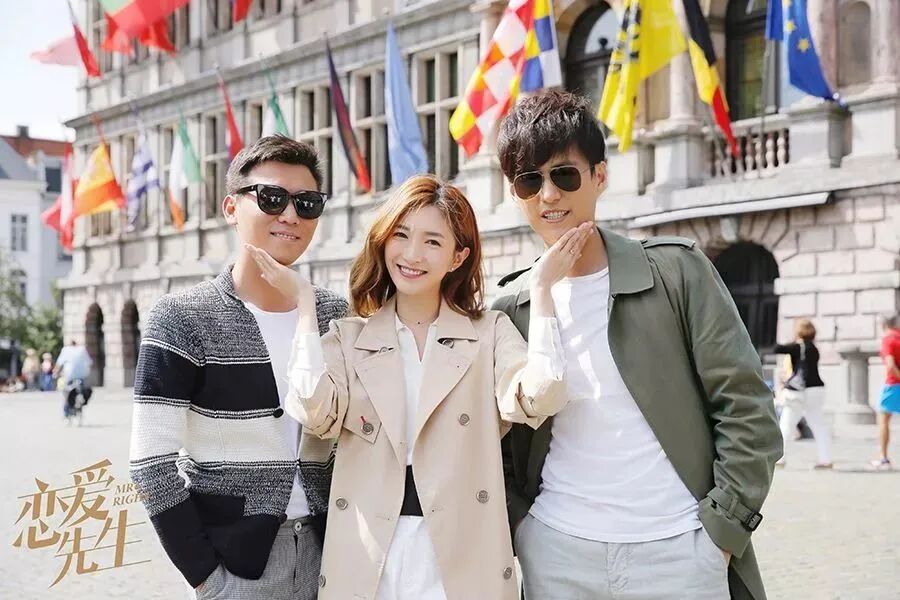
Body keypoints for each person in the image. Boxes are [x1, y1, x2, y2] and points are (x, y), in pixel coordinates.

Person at [492, 90, 783, 600]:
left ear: (600, 176)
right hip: (556, 554)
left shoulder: (677, 271)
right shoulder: (511, 308)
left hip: (680, 551)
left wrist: (721, 533)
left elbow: (746, 406)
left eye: (565, 175)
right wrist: (523, 529)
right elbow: (495, 446)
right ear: (515, 193)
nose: (549, 195)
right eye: (529, 180)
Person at [253, 174, 587, 599]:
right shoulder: (349, 338)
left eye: (432, 241)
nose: (412, 254)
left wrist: (541, 290)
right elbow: (313, 410)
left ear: (458, 256)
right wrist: (305, 306)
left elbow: (540, 396)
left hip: (461, 553)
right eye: (402, 235)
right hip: (370, 555)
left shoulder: (488, 333)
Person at [129, 135, 349, 600]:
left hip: (335, 554)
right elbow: (151, 464)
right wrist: (207, 579)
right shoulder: (183, 317)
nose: (290, 215)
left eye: (307, 203)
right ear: (231, 207)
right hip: (239, 566)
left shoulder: (334, 316)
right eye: (271, 198)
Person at [773, 319, 833, 469]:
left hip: (797, 392)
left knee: (787, 423)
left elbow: (777, 348)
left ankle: (780, 458)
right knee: (818, 424)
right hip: (816, 389)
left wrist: (792, 339)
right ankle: (826, 459)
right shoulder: (814, 348)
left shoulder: (797, 347)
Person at [871, 313, 900, 470]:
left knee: (883, 419)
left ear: (883, 325)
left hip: (893, 384)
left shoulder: (888, 339)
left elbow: (890, 364)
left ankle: (883, 458)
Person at [54, 340, 93, 419]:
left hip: (70, 375)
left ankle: (66, 412)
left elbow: (59, 363)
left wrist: (55, 372)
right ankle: (82, 403)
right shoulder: (82, 350)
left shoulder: (66, 350)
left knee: (66, 393)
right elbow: (89, 362)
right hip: (82, 375)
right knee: (85, 389)